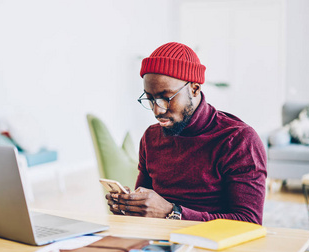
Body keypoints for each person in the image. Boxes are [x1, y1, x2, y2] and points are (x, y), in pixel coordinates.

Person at [106, 42, 267, 224]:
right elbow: (147, 208)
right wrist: (129, 206)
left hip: (214, 247)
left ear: (195, 88)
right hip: (157, 244)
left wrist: (173, 213)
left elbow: (249, 223)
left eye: (166, 98)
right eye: (150, 99)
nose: (157, 111)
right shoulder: (151, 138)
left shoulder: (238, 140)